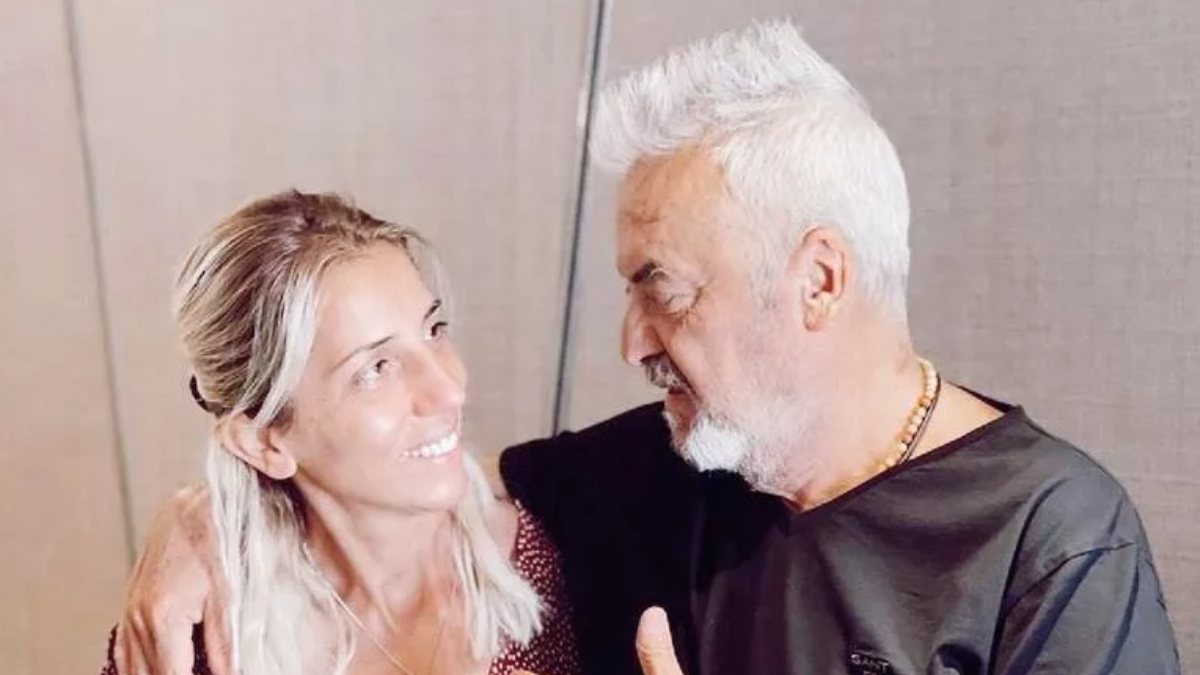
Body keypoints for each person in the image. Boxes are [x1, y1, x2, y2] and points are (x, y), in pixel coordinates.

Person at [111, 20, 1181, 675]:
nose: (631, 341)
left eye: (662, 291)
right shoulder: (680, 462)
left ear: (818, 281)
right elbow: (407, 484)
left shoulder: (1052, 543)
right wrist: (201, 522)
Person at [102, 191, 579, 675]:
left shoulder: (570, 556)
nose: (448, 390)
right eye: (376, 368)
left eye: (433, 330)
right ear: (263, 442)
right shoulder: (189, 640)